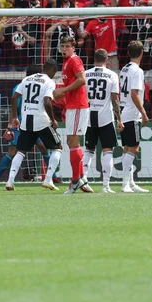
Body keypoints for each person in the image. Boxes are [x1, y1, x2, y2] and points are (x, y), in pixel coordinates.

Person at [6, 60, 62, 191]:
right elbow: (47, 102)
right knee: (58, 147)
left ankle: (10, 181)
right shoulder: (49, 82)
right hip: (41, 119)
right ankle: (48, 179)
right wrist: (53, 119)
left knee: (20, 151)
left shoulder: (27, 79)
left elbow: (14, 97)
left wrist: (14, 117)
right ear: (53, 70)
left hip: (26, 119)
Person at [0, 64, 52, 184]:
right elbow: (15, 105)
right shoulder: (21, 87)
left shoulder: (24, 86)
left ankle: (53, 176)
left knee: (42, 147)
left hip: (31, 122)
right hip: (22, 123)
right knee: (13, 151)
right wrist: (11, 122)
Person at [53, 35, 94, 194]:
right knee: (71, 141)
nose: (64, 49)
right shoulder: (65, 62)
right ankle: (81, 179)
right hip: (72, 105)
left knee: (73, 141)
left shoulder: (75, 60)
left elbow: (82, 80)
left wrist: (62, 90)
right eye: (62, 46)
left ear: (73, 48)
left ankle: (75, 180)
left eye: (67, 46)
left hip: (78, 105)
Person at [82, 49, 123, 194]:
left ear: (94, 59)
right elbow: (115, 99)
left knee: (88, 151)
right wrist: (120, 119)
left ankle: (84, 181)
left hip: (89, 116)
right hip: (105, 117)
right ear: (107, 60)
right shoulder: (112, 75)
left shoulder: (85, 74)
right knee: (107, 151)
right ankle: (105, 186)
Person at [119, 40, 150, 193]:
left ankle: (130, 183)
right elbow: (134, 93)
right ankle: (125, 184)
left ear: (128, 53)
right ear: (142, 53)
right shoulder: (137, 71)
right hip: (132, 112)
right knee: (134, 148)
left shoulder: (124, 69)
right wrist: (143, 113)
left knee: (127, 148)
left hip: (123, 110)